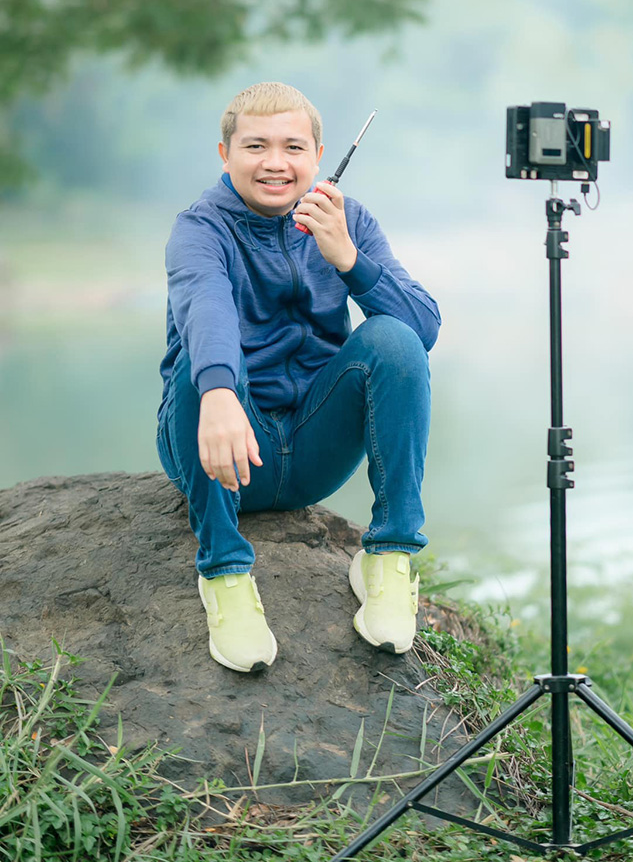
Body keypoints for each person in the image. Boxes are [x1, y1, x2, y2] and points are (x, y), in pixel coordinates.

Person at [156, 82, 440, 673]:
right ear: (224, 154)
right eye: (256, 146)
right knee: (201, 359)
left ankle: (388, 558)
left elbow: (424, 328)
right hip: (225, 445)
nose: (276, 163)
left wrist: (348, 259)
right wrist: (217, 392)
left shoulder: (347, 218)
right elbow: (205, 308)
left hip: (311, 451)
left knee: (393, 338)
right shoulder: (200, 228)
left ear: (318, 156)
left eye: (293, 147)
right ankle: (224, 570)